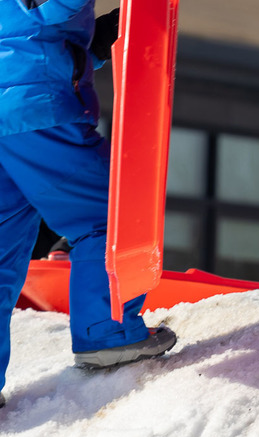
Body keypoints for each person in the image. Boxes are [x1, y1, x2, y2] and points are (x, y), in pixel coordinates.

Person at [0, 1, 176, 408]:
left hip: (16, 104)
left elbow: (26, 28)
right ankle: (108, 333)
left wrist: (91, 44)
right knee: (109, 217)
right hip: (34, 107)